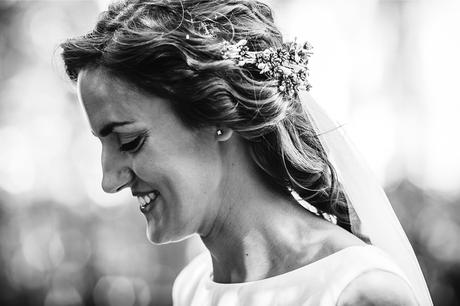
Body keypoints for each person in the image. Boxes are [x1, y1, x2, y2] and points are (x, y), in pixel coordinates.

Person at [60, 0, 433, 305]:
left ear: (217, 115)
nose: (109, 181)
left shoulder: (358, 291)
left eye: (129, 142)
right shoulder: (191, 286)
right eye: (102, 144)